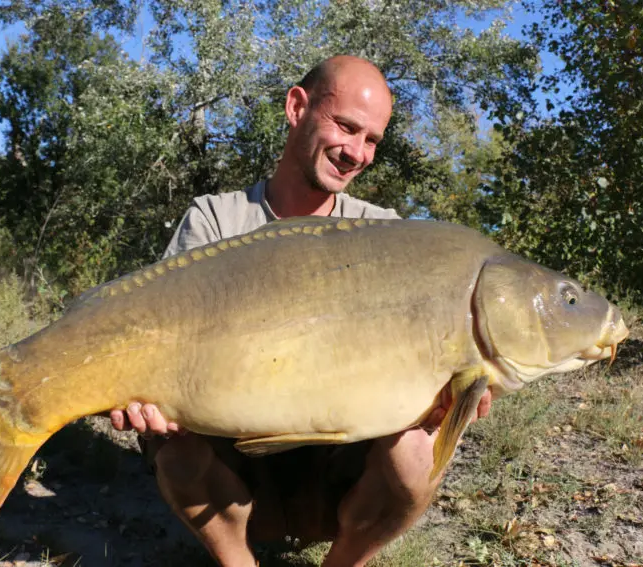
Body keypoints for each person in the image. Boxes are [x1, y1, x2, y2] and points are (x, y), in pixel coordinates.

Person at [109, 55, 493, 567]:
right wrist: (139, 397)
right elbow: (150, 340)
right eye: (346, 127)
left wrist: (449, 403)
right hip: (235, 461)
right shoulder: (216, 220)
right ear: (297, 107)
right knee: (172, 443)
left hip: (335, 477)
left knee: (419, 452)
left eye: (372, 140)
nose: (356, 152)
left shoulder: (388, 237)